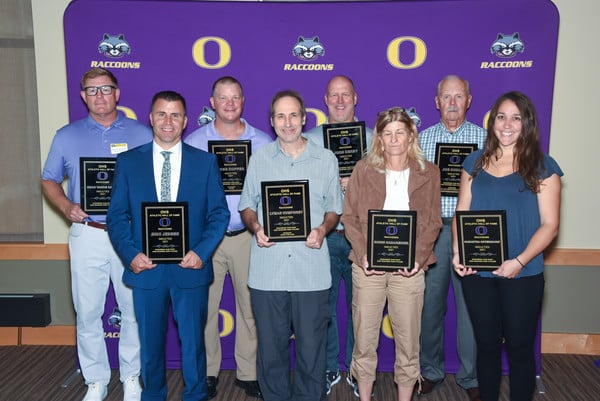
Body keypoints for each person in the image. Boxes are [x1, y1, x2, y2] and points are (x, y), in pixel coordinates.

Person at [107, 91, 230, 401]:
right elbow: (117, 217)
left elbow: (219, 214)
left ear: (185, 121)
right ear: (151, 118)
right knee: (149, 345)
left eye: (175, 115)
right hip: (145, 268)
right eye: (162, 114)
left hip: (190, 268)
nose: (168, 121)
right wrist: (130, 254)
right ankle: (153, 396)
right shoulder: (128, 162)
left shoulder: (204, 163)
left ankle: (195, 395)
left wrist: (201, 253)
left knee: (193, 344)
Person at [41, 67, 151, 401]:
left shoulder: (142, 134)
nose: (99, 96)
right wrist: (65, 206)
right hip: (87, 232)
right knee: (87, 310)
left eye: (105, 89)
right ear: (82, 96)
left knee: (132, 308)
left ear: (117, 93)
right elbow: (48, 179)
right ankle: (96, 380)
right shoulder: (66, 135)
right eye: (92, 90)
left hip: (130, 235)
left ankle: (131, 376)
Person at [453, 91, 562, 401]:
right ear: (493, 121)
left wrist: (519, 261)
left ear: (526, 123)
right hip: (478, 273)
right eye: (501, 116)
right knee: (485, 345)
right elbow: (462, 210)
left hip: (523, 274)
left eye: (516, 117)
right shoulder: (474, 162)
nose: (507, 124)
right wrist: (459, 252)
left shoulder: (543, 166)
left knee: (518, 347)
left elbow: (550, 225)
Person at [238, 90, 343, 401]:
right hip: (268, 269)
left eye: (293, 115)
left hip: (310, 267)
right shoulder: (259, 159)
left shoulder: (326, 159)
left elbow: (334, 209)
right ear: (272, 122)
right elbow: (247, 205)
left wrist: (323, 229)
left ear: (304, 118)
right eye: (281, 116)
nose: (288, 122)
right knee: (271, 347)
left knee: (312, 347)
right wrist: (255, 226)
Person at [342, 107, 442, 401]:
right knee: (364, 340)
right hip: (367, 267)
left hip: (410, 269)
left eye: (400, 132)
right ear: (380, 139)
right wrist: (362, 254)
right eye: (388, 133)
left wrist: (417, 258)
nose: (394, 139)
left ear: (411, 135)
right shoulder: (363, 169)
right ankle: (364, 397)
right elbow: (349, 218)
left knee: (409, 344)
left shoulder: (430, 172)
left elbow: (434, 222)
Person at [185, 76, 272, 399]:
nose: (230, 103)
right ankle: (207, 372)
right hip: (206, 239)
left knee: (250, 307)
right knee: (204, 307)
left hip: (247, 236)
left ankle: (248, 373)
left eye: (236, 97)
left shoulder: (262, 142)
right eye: (224, 98)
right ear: (212, 102)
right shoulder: (194, 142)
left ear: (243, 101)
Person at [303, 75, 373, 395]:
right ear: (326, 100)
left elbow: (389, 188)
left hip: (363, 237)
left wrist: (356, 183)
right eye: (334, 95)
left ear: (356, 97)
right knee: (325, 308)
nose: (340, 101)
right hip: (327, 235)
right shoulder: (310, 140)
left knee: (364, 309)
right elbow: (302, 188)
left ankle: (359, 371)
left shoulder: (375, 139)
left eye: (346, 94)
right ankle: (331, 365)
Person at [417, 75, 486, 400]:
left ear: (469, 100)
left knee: (471, 306)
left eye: (459, 96)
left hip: (471, 230)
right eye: (447, 97)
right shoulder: (422, 139)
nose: (453, 103)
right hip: (433, 230)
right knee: (430, 306)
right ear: (437, 102)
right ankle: (430, 370)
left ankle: (471, 377)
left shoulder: (486, 140)